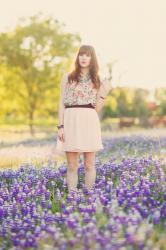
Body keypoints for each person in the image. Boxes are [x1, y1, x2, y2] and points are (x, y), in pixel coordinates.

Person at [56, 45, 112, 193]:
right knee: (72, 165)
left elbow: (97, 108)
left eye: (87, 55)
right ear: (77, 57)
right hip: (70, 120)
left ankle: (88, 196)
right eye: (81, 55)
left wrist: (104, 93)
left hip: (89, 120)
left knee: (89, 164)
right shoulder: (67, 77)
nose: (84, 58)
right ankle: (73, 198)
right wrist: (60, 126)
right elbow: (61, 102)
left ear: (92, 58)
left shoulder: (97, 79)